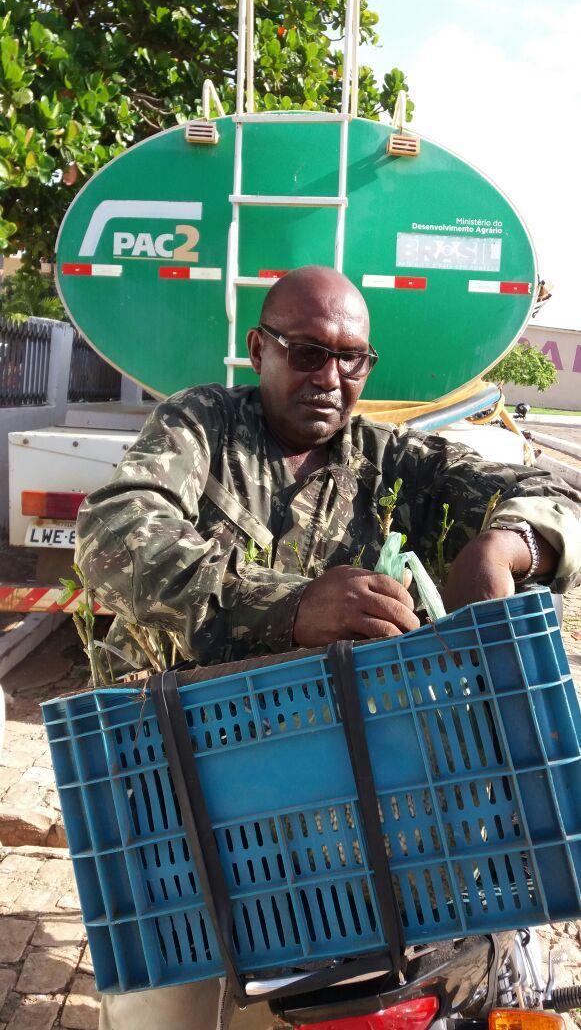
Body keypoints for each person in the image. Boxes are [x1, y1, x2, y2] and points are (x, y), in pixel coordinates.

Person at [75, 265, 580, 1030]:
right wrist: (287, 605)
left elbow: (559, 492)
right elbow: (112, 537)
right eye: (307, 352)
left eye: (353, 358)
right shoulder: (201, 428)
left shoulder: (388, 462)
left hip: (338, 801)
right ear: (259, 349)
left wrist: (504, 548)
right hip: (181, 784)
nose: (332, 376)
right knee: (168, 1006)